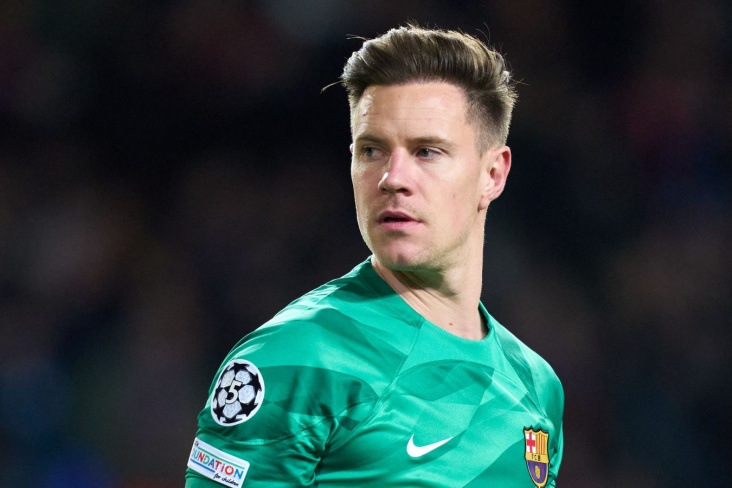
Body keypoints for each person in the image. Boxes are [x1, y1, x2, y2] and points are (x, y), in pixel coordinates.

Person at [185, 24, 564, 487]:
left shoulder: (537, 388)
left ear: (493, 174)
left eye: (427, 151)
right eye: (372, 150)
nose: (392, 178)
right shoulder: (293, 361)